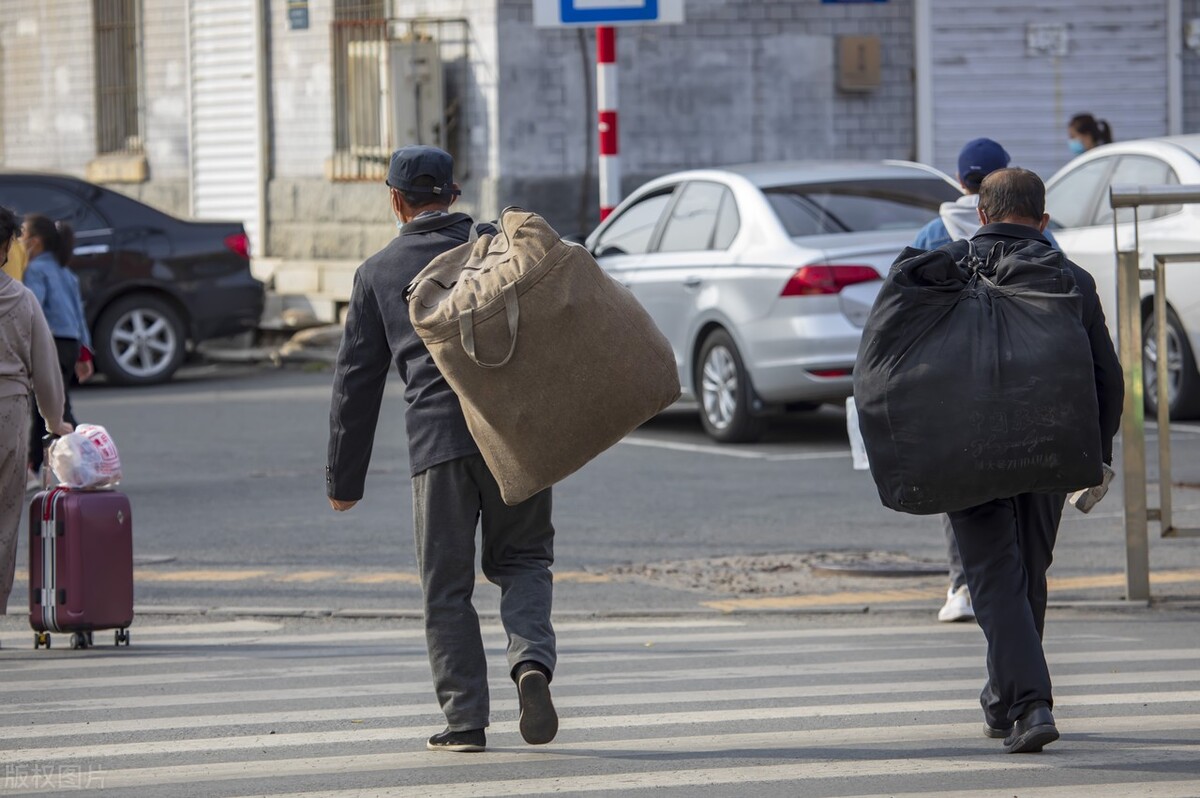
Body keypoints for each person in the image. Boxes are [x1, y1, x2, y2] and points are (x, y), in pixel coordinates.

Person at [326, 145, 559, 753]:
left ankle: (464, 723)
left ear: (397, 200)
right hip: (519, 435)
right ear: (453, 196)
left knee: (446, 586)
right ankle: (531, 663)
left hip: (439, 444)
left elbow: (356, 382)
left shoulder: (379, 272)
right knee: (525, 561)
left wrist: (343, 481)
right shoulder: (496, 250)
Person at [942, 168, 1123, 753]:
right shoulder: (1071, 278)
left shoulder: (946, 272)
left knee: (995, 576)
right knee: (1026, 576)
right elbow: (1107, 377)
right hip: (1049, 449)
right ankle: (1005, 701)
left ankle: (1029, 703)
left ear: (982, 216)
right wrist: (1095, 452)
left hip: (968, 450)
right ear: (1043, 221)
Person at [914, 138, 1058, 624]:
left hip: (960, 396)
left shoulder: (932, 235)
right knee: (1027, 492)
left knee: (966, 497)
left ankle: (962, 584)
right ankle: (1021, 587)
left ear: (966, 191)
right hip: (1031, 394)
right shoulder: (1048, 248)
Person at [0, 205, 72, 629]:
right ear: (7, 246)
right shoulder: (21, 300)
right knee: (4, 516)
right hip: (7, 413)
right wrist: (54, 421)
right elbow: (45, 371)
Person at [21, 215, 94, 490]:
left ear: (35, 242)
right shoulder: (65, 272)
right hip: (69, 344)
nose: (20, 240)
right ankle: (33, 466)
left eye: (24, 234)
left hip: (49, 343)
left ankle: (87, 456)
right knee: (50, 406)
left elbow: (33, 308)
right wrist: (84, 354)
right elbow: (79, 314)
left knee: (51, 408)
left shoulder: (36, 270)